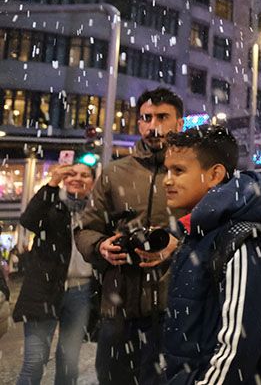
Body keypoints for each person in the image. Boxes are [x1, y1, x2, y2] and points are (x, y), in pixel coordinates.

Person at [75, 88, 185, 385]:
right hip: (118, 306)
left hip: (173, 307)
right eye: (147, 118)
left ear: (179, 123)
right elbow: (86, 229)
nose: (154, 126)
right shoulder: (114, 173)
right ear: (138, 123)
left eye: (163, 117)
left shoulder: (189, 172)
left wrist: (178, 243)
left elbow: (211, 230)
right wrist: (101, 246)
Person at [161, 125, 261, 385]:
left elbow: (237, 345)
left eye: (178, 170)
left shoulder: (241, 238)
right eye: (166, 170)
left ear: (214, 174)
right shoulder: (198, 233)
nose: (167, 180)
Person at [13, 163, 96, 385]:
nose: (78, 178)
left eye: (85, 175)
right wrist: (52, 184)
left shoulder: (97, 211)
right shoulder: (52, 203)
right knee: (34, 362)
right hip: (44, 289)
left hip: (82, 291)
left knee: (69, 362)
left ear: (93, 182)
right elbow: (29, 220)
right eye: (72, 174)